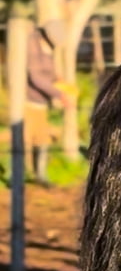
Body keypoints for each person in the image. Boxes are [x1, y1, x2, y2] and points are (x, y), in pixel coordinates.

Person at [25, 25, 66, 186]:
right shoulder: (33, 48)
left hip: (40, 101)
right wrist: (59, 93)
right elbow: (36, 77)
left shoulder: (44, 47)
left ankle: (39, 175)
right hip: (28, 101)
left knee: (42, 138)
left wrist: (58, 80)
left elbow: (47, 73)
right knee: (28, 138)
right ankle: (28, 174)